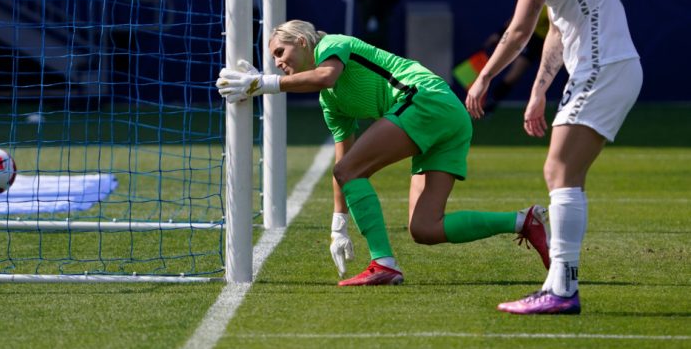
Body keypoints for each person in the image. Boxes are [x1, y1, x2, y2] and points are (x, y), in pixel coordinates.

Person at [217, 19, 550, 287]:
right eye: (273, 59)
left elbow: (325, 76)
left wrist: (265, 84)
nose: (277, 62)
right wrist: (338, 225)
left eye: (280, 51)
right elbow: (342, 159)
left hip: (425, 100)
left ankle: (383, 263)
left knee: (351, 171)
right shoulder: (329, 102)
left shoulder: (331, 45)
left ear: (302, 42)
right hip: (448, 117)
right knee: (425, 228)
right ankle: (524, 221)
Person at [466, 0, 642, 314]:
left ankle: (562, 291)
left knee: (559, 171)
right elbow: (557, 30)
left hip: (605, 69)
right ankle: (559, 283)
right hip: (609, 68)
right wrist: (539, 90)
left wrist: (484, 77)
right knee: (563, 174)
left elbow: (520, 30)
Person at [481, 7, 550, 114]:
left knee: (571, 71)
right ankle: (490, 104)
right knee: (513, 76)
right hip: (535, 40)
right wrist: (499, 34)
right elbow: (518, 19)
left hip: (556, 42)